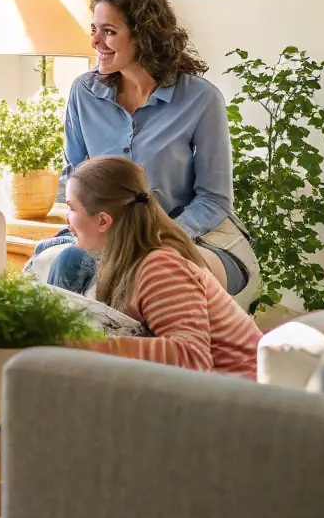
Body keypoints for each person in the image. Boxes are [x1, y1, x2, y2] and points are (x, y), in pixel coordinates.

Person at [32, 0, 259, 309]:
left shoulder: (201, 99)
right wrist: (98, 231)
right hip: (103, 232)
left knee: (164, 276)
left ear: (143, 35)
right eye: (94, 29)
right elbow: (74, 177)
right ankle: (66, 357)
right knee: (68, 264)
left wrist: (151, 238)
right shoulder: (84, 93)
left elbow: (214, 198)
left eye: (108, 31)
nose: (95, 41)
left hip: (187, 234)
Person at [64, 157, 263, 378]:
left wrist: (85, 347)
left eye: (71, 208)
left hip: (240, 395)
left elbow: (192, 358)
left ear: (103, 221)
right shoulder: (125, 262)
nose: (66, 219)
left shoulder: (158, 266)